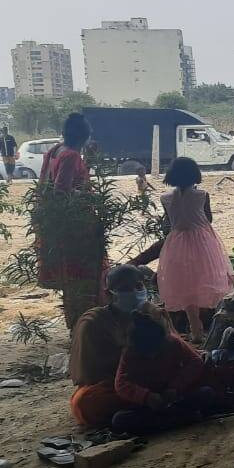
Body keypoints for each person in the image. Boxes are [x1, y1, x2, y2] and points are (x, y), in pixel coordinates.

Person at [69, 265, 172, 428]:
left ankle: (147, 414)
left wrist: (159, 320)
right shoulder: (94, 322)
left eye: (138, 286)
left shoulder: (152, 313)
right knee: (85, 403)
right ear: (109, 294)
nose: (134, 292)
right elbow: (94, 373)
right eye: (125, 289)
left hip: (159, 377)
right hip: (119, 384)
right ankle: (167, 411)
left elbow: (175, 349)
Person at [156, 158, 234, 344]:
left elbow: (168, 223)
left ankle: (196, 330)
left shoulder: (165, 198)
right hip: (203, 244)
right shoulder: (202, 195)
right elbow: (208, 218)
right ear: (195, 175)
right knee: (211, 280)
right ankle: (217, 327)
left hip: (176, 245)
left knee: (185, 287)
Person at [38, 113, 104, 327]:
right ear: (83, 136)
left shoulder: (54, 151)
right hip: (76, 226)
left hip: (57, 223)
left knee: (69, 275)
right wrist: (89, 196)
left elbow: (44, 188)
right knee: (83, 273)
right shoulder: (71, 156)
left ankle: (74, 322)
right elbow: (62, 191)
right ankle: (83, 323)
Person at [110, 312, 214, 435]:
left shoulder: (173, 342)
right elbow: (121, 383)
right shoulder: (129, 353)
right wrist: (146, 396)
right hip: (149, 406)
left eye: (157, 350)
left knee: (207, 393)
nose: (153, 356)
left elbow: (196, 362)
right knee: (119, 420)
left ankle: (166, 422)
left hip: (176, 397)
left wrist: (175, 387)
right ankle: (181, 419)